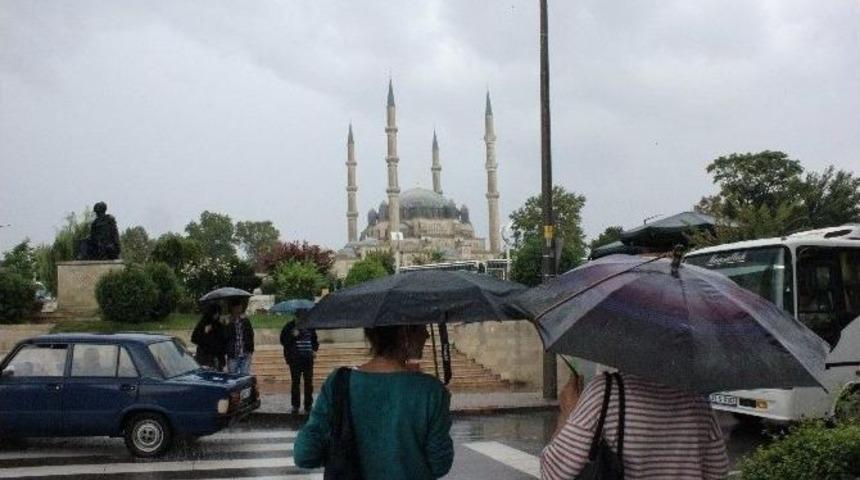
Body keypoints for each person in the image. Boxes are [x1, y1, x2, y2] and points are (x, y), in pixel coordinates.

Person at [294, 324, 454, 479]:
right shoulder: (431, 390)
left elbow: (305, 454)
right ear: (405, 332)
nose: (427, 334)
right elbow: (440, 464)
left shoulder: (338, 383)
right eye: (422, 327)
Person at [541, 371, 730, 480]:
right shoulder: (698, 400)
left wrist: (567, 412)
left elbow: (554, 473)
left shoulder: (606, 391)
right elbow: (717, 471)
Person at [279, 312, 319, 414]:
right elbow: (283, 341)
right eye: (299, 316)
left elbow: (315, 341)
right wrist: (293, 335)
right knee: (295, 383)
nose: (301, 318)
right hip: (295, 360)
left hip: (308, 359)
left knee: (308, 383)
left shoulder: (310, 326)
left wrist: (314, 350)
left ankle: (308, 405)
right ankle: (295, 406)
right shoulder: (289, 326)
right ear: (296, 316)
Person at [191, 303, 226, 371]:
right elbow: (194, 338)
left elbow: (223, 340)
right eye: (215, 313)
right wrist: (204, 332)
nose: (217, 315)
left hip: (217, 357)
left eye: (218, 313)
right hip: (205, 357)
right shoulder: (203, 323)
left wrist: (225, 327)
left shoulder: (219, 325)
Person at [225, 298, 254, 375]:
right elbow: (225, 336)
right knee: (232, 376)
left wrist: (250, 349)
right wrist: (229, 324)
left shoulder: (245, 321)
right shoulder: (227, 321)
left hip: (245, 353)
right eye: (237, 308)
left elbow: (251, 334)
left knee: (245, 375)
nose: (238, 310)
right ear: (232, 309)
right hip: (233, 354)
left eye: (240, 308)